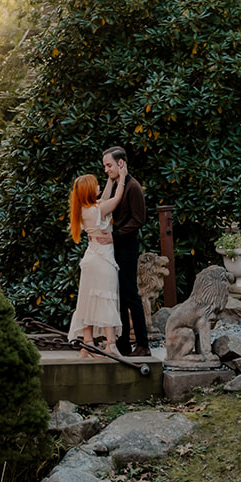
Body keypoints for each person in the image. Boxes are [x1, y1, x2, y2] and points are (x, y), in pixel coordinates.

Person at [67, 165, 126, 357]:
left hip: (91, 257)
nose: (99, 185)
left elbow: (105, 199)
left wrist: (111, 180)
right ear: (89, 190)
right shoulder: (97, 209)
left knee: (87, 300)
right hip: (103, 260)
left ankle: (88, 344)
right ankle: (111, 345)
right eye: (96, 184)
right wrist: (122, 177)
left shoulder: (84, 209)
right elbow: (115, 200)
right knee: (107, 297)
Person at [103, 145, 150, 358]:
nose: (106, 170)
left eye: (109, 165)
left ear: (121, 163)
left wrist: (116, 235)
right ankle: (123, 344)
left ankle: (142, 344)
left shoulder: (133, 187)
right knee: (118, 296)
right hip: (116, 245)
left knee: (131, 296)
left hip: (127, 246)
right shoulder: (116, 185)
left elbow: (138, 220)